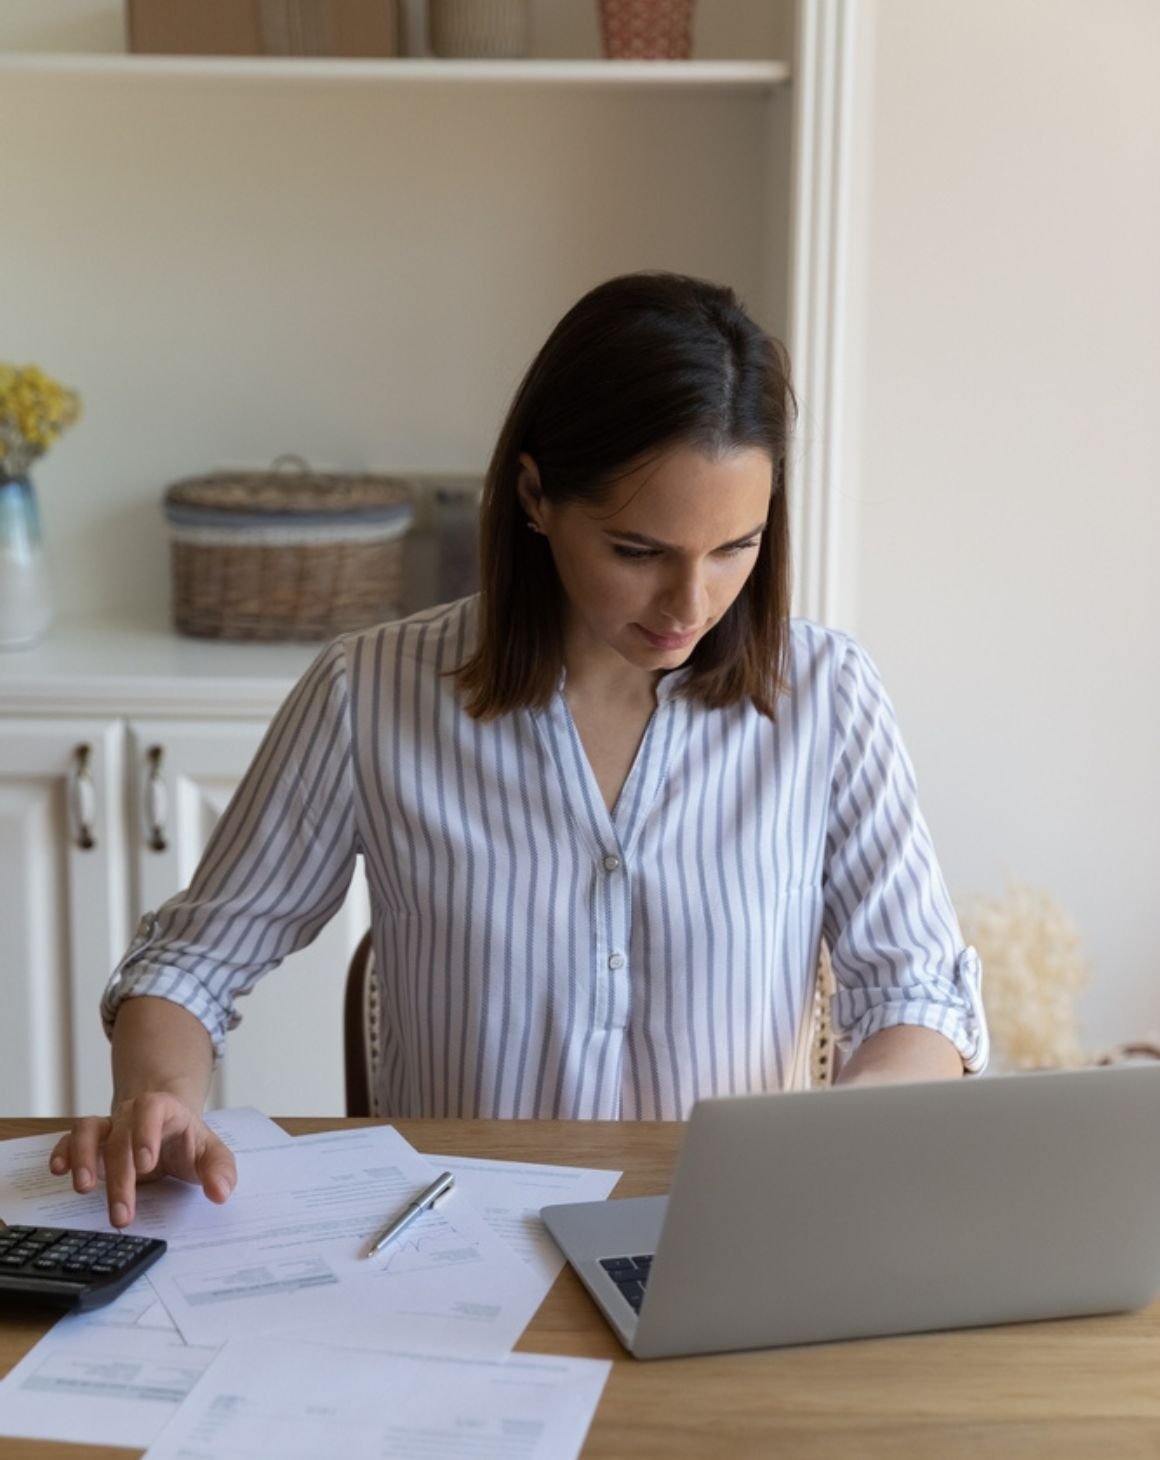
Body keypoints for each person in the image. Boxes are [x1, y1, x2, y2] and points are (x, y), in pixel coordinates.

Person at [51, 271, 988, 1227]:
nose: (691, 606)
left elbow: (917, 990)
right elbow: (192, 963)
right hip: (452, 1253)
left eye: (733, 548)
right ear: (536, 495)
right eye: (637, 551)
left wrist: (860, 1122)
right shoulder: (368, 691)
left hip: (733, 1240)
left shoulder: (827, 695)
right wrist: (157, 1099)